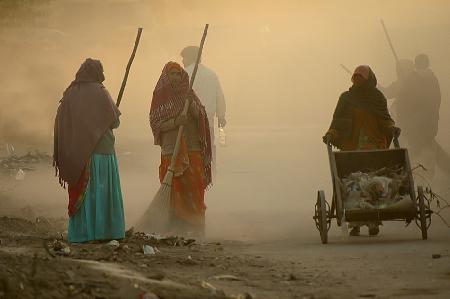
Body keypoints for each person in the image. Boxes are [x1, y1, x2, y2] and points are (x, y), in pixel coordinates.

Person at [53, 58, 125, 243]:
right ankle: (105, 232)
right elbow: (115, 122)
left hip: (78, 154)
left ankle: (83, 233)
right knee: (102, 192)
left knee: (86, 194)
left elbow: (62, 121)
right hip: (102, 150)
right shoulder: (100, 92)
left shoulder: (70, 93)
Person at [323, 65, 399, 236]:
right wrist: (331, 133)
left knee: (374, 183)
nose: (358, 81)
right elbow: (338, 122)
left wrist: (392, 128)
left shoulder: (378, 98)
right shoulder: (346, 98)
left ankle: (373, 222)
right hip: (352, 148)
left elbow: (385, 120)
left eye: (361, 78)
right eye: (355, 77)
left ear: (369, 79)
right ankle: (355, 222)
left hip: (374, 148)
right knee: (353, 184)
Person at [149, 62, 212, 237]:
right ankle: (174, 225)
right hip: (171, 149)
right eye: (172, 74)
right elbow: (155, 123)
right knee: (175, 190)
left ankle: (195, 225)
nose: (175, 77)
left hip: (192, 149)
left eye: (178, 74)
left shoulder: (189, 93)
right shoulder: (160, 96)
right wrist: (175, 122)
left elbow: (201, 116)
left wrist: (190, 105)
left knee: (192, 188)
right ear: (166, 77)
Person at [181, 46, 226, 174]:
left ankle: (195, 177)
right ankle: (211, 175)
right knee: (209, 149)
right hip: (208, 122)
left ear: (190, 57)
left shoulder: (185, 74)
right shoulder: (211, 74)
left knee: (192, 152)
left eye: (184, 58)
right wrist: (221, 116)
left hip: (191, 123)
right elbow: (220, 96)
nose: (183, 61)